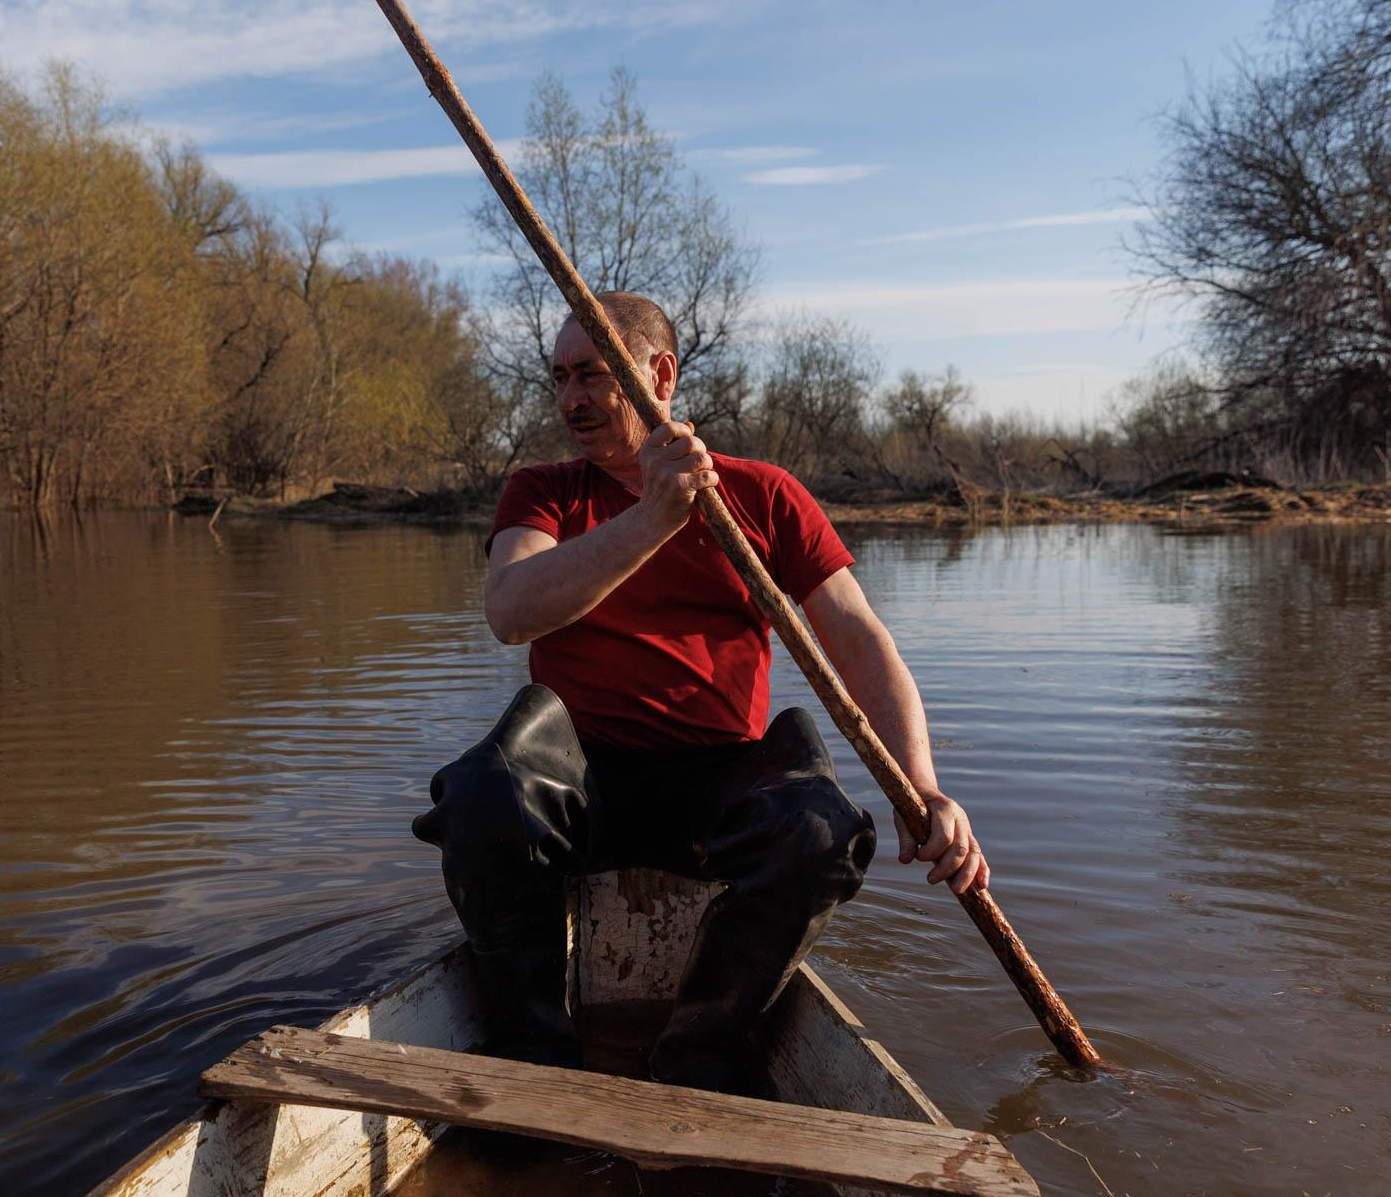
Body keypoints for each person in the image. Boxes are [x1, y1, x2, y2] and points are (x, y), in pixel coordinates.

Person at [410, 291, 985, 1095]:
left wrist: (921, 786)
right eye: (560, 378)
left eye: (593, 375)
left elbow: (858, 639)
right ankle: (536, 1053)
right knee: (480, 796)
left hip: (719, 786)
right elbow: (511, 612)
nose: (572, 398)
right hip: (581, 787)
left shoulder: (762, 495)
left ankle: (699, 1051)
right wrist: (653, 517)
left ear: (660, 375)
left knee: (821, 831)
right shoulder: (543, 490)